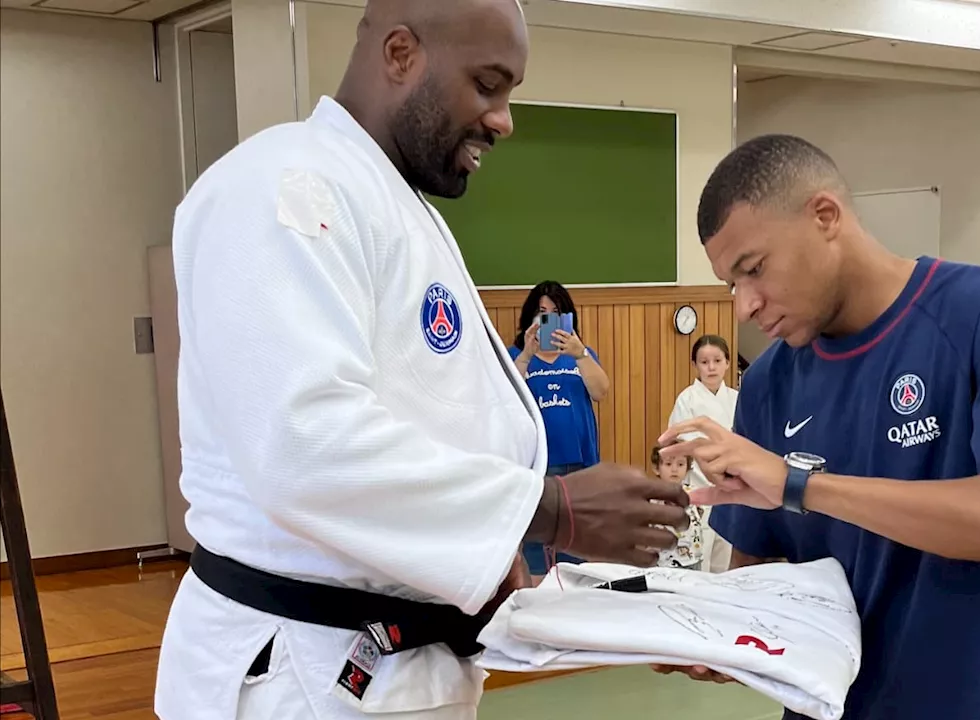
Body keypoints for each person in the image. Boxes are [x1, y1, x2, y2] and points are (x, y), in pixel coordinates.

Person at [154, 1, 689, 718]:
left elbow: (430, 413)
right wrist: (547, 508)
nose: (504, 120)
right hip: (305, 673)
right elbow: (304, 446)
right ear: (401, 54)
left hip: (389, 663)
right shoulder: (283, 185)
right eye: (488, 85)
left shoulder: (395, 205)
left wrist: (488, 556)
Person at [655, 134, 980, 720]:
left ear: (826, 216)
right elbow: (757, 578)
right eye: (732, 283)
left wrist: (803, 485)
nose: (745, 305)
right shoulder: (769, 383)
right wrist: (714, 637)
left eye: (754, 270)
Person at [508, 281, 608, 576]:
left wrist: (580, 354)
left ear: (568, 318)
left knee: (577, 542)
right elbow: (504, 396)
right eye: (541, 312)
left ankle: (574, 606)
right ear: (531, 317)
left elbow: (602, 391)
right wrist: (525, 355)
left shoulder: (581, 354)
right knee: (537, 543)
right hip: (536, 466)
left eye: (556, 312)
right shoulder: (515, 354)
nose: (547, 318)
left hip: (580, 464)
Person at [667, 334, 738, 572]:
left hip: (734, 489)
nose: (711, 367)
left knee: (726, 559)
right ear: (695, 365)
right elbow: (682, 447)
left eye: (717, 360)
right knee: (700, 560)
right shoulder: (687, 399)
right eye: (704, 362)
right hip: (700, 490)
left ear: (728, 363)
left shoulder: (737, 399)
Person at [650, 446, 705, 570]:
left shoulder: (695, 493)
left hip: (693, 559)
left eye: (680, 464)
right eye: (668, 464)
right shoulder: (652, 496)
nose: (674, 469)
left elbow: (698, 515)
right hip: (662, 562)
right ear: (657, 468)